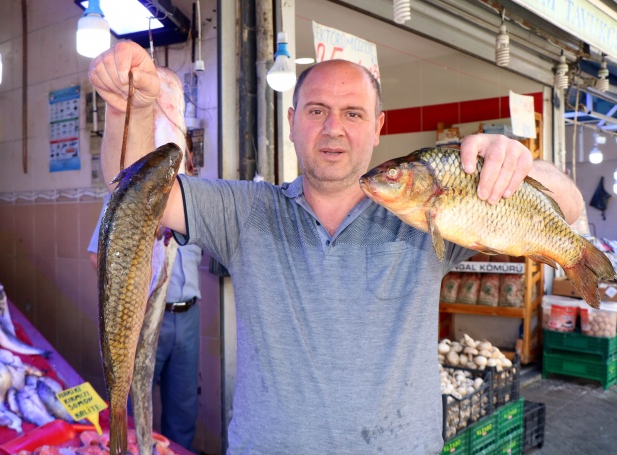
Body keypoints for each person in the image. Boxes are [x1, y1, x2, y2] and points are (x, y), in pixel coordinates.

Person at [89, 41, 583, 454]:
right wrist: (128, 107)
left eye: (352, 113)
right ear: (292, 119)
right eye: (317, 110)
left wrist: (523, 167)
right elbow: (137, 198)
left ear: (378, 126)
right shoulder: (244, 211)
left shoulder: (435, 213)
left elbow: (571, 208)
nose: (333, 128)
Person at [88, 194, 202, 451]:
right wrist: (130, 303)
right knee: (133, 406)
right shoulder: (131, 194)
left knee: (183, 410)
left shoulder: (193, 200)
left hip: (188, 316)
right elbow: (98, 256)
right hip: (145, 316)